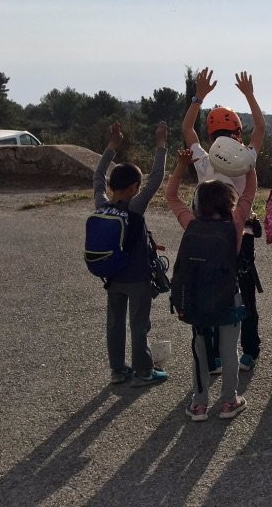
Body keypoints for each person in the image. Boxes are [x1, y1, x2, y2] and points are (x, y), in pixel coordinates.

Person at [181, 68, 266, 372]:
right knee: (245, 294)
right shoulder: (245, 160)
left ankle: (215, 356)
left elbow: (187, 128)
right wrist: (249, 95)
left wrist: (198, 97)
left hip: (208, 240)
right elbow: (261, 127)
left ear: (211, 135)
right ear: (237, 132)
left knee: (212, 292)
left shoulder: (204, 162)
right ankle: (249, 351)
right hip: (241, 237)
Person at [166, 148, 257, 421]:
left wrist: (181, 166)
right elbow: (250, 190)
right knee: (229, 351)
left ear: (198, 204)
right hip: (228, 297)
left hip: (196, 298)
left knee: (200, 350)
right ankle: (229, 402)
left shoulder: (192, 223)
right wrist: (248, 165)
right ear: (229, 202)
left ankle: (199, 404)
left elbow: (171, 196)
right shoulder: (236, 222)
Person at [93, 121, 169, 387]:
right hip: (137, 277)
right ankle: (143, 372)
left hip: (112, 275)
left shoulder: (102, 204)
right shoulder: (135, 207)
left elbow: (97, 176)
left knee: (114, 323)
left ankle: (117, 370)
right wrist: (161, 143)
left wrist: (112, 146)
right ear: (135, 187)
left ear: (112, 185)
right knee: (139, 324)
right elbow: (156, 178)